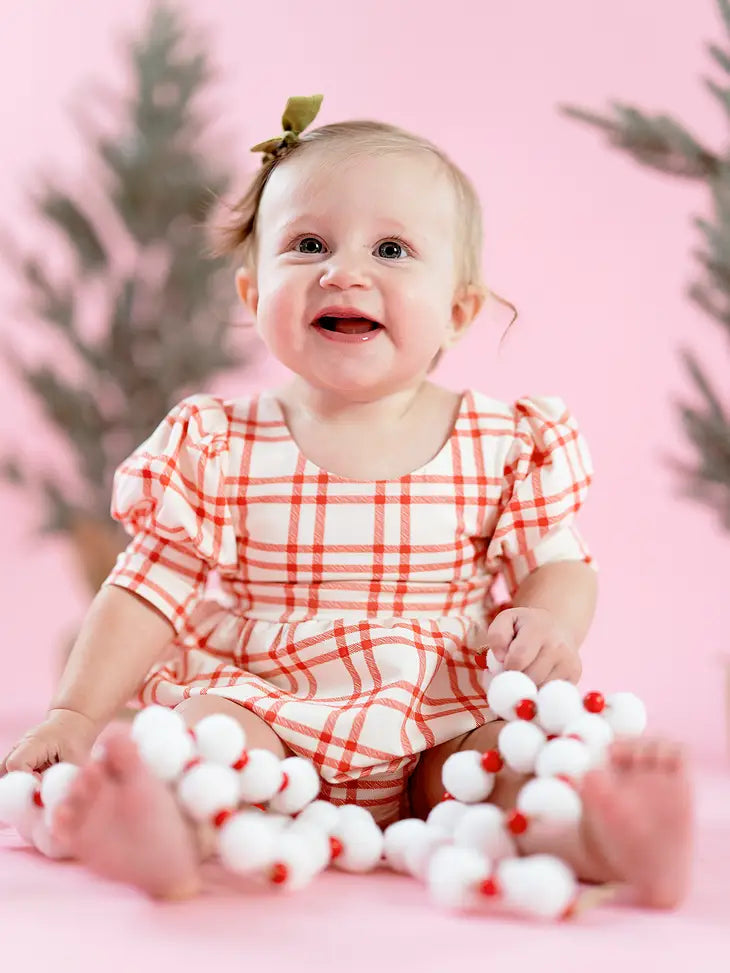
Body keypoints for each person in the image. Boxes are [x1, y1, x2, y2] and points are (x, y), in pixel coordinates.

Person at [1, 96, 691, 907]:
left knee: (515, 763)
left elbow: (562, 564)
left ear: (459, 311)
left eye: (392, 248)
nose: (344, 271)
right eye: (308, 244)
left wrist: (547, 622)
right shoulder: (218, 441)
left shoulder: (504, 440)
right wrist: (77, 713)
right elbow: (146, 585)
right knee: (202, 741)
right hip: (272, 708)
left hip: (444, 710)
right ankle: (163, 830)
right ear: (254, 294)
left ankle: (597, 832)